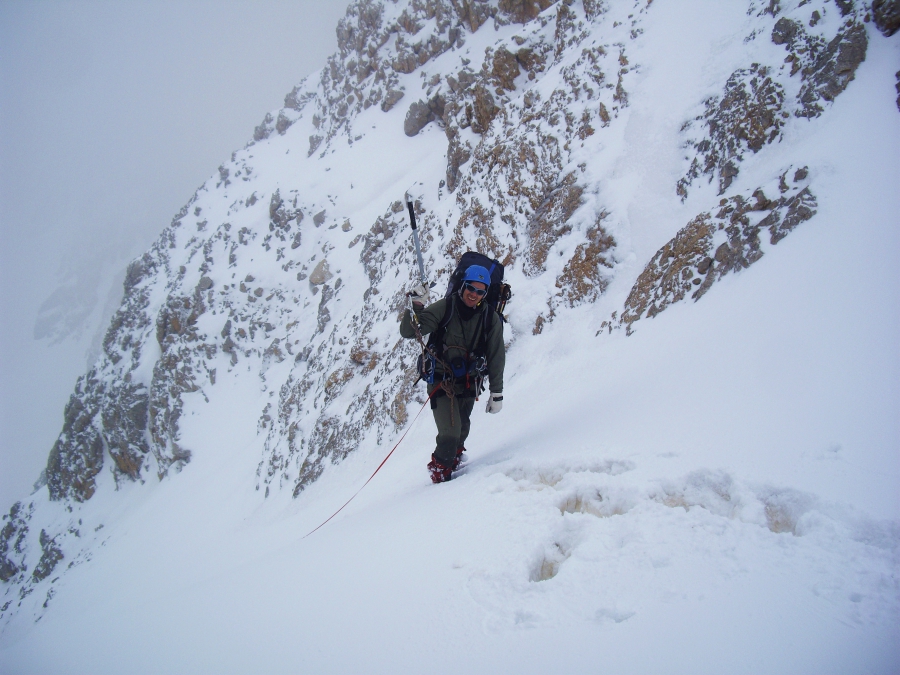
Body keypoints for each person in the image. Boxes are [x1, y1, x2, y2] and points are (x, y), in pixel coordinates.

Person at [400, 265, 505, 483]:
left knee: (462, 430)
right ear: (462, 285)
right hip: (442, 382)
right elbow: (410, 331)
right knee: (450, 433)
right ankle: (440, 476)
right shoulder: (446, 308)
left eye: (480, 292)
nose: (474, 294)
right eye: (470, 288)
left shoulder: (489, 318)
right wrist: (417, 304)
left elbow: (496, 354)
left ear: (485, 294)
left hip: (469, 382)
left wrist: (497, 392)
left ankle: (452, 464)